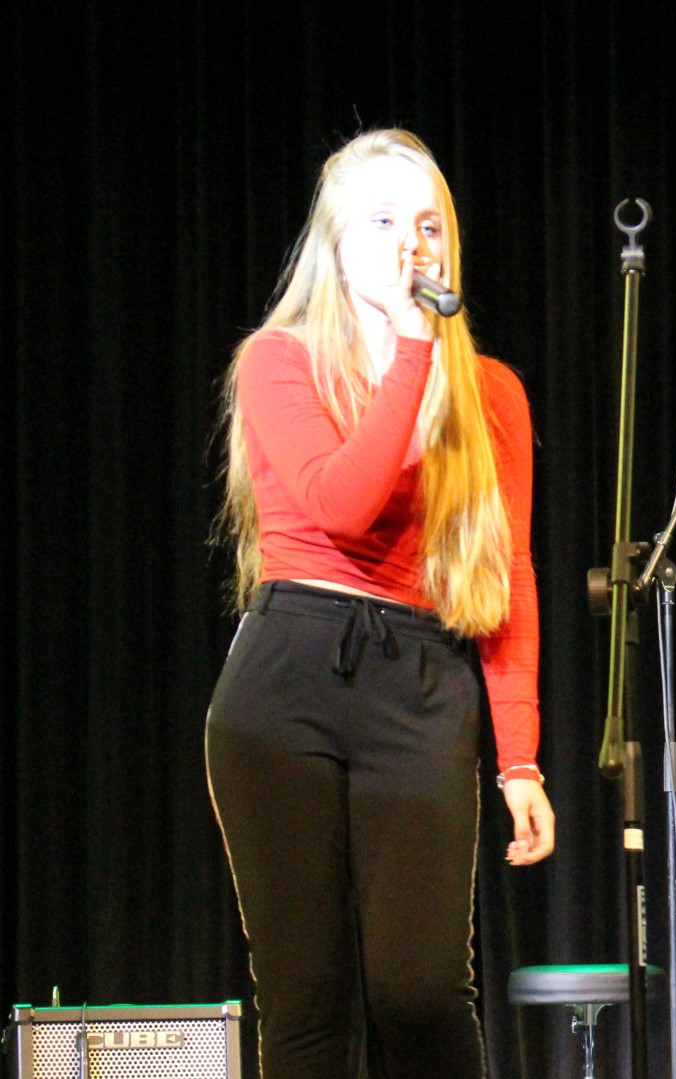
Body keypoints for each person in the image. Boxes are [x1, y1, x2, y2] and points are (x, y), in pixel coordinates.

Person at [208, 128, 553, 1078]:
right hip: (287, 676)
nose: (411, 244)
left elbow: (508, 573)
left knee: (419, 990)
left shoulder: (491, 395)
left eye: (429, 225)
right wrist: (411, 353)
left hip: (421, 679)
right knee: (307, 1004)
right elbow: (341, 504)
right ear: (336, 245)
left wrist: (519, 758)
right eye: (384, 221)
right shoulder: (278, 361)